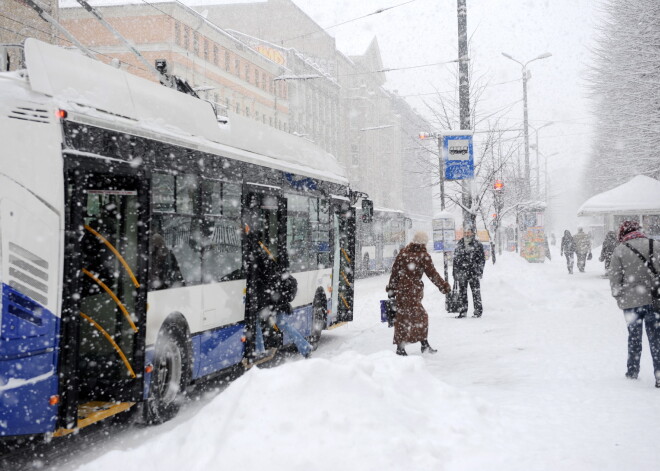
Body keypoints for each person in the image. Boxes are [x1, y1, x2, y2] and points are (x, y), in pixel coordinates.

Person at [244, 230, 312, 363]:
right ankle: (305, 347)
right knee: (282, 324)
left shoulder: (259, 257)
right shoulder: (269, 255)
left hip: (273, 301)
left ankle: (259, 350)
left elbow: (265, 281)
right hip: (278, 300)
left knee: (255, 320)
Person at [608, 220, 660, 388]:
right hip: (655, 300)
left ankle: (632, 370)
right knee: (656, 339)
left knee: (634, 338)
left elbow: (614, 278)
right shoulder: (655, 245)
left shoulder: (620, 250)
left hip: (631, 303)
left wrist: (620, 297)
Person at [386, 231, 451, 356]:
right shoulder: (423, 255)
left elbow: (394, 272)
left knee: (403, 319)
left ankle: (409, 346)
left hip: (402, 292)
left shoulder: (403, 253)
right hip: (412, 292)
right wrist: (443, 286)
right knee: (420, 318)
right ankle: (418, 346)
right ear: (423, 242)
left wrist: (391, 290)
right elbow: (432, 274)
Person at [453, 228, 486, 318]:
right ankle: (463, 312)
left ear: (472, 233)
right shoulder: (459, 244)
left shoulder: (477, 244)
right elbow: (455, 260)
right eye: (465, 232)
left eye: (469, 232)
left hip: (473, 272)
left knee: (476, 293)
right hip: (462, 273)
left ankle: (478, 312)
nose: (467, 234)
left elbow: (482, 260)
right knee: (462, 293)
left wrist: (479, 271)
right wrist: (455, 273)